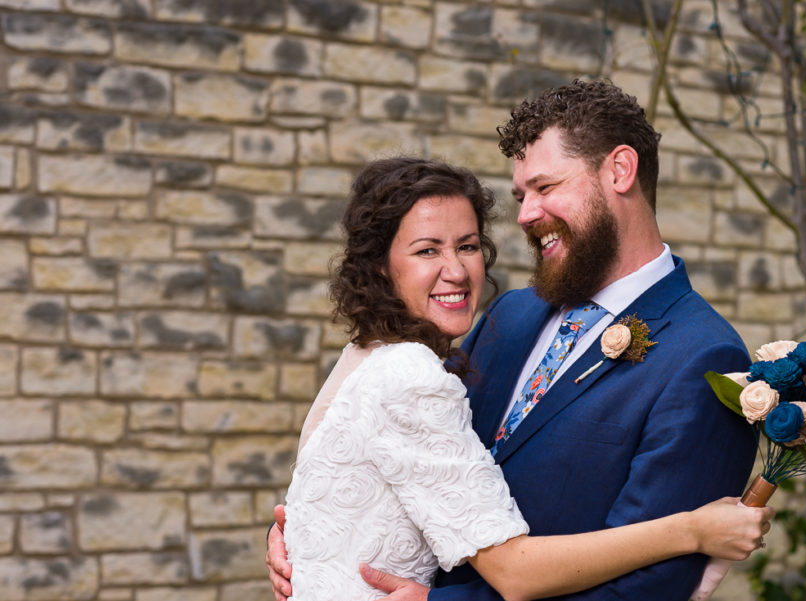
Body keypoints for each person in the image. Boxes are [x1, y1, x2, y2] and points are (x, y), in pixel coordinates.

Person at [268, 80, 760, 601]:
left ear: (620, 170)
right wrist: (303, 535)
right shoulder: (511, 315)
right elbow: (400, 459)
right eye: (522, 195)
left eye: (545, 188)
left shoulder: (706, 358)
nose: (524, 214)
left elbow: (646, 590)